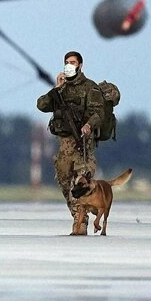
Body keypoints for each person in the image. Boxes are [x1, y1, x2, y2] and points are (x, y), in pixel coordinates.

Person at [37, 51, 105, 235]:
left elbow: (98, 113)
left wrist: (88, 125)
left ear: (80, 65)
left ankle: (81, 221)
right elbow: (42, 105)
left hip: (83, 143)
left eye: (73, 62)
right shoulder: (61, 89)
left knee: (81, 182)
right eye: (67, 62)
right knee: (66, 184)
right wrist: (56, 88)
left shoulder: (90, 88)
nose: (69, 65)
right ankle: (78, 214)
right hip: (65, 144)